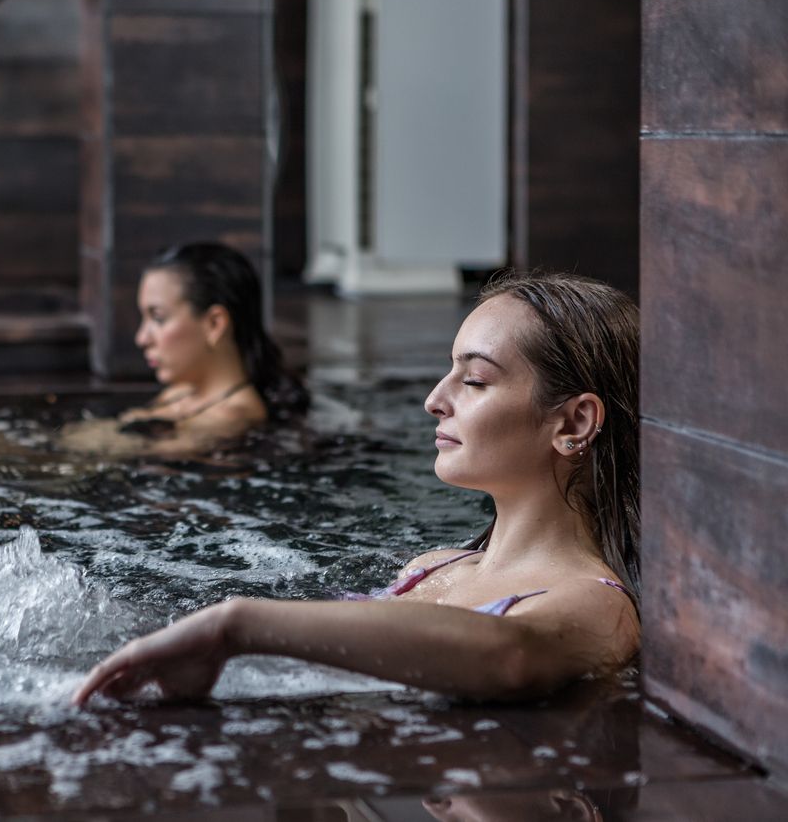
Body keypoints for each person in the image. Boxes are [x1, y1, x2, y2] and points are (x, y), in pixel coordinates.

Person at [73, 271, 640, 704]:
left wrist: (236, 625)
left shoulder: (593, 602)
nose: (434, 400)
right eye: (449, 372)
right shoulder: (434, 565)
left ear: (573, 424)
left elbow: (511, 655)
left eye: (474, 380)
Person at [60, 242, 308, 456]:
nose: (141, 338)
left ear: (214, 324)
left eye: (158, 318)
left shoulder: (231, 418)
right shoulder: (180, 392)